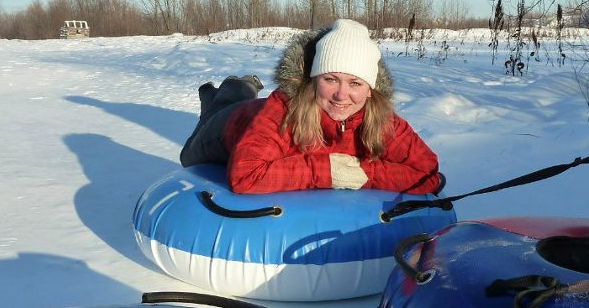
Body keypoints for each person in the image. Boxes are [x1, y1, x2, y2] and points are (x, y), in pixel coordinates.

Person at [179, 19, 441, 195]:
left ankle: (241, 88)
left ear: (370, 89)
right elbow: (245, 175)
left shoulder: (381, 118)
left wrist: (366, 173)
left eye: (355, 84)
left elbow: (428, 174)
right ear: (314, 80)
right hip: (230, 126)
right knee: (189, 155)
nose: (342, 95)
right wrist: (326, 171)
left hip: (257, 119)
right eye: (330, 79)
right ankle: (230, 91)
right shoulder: (284, 109)